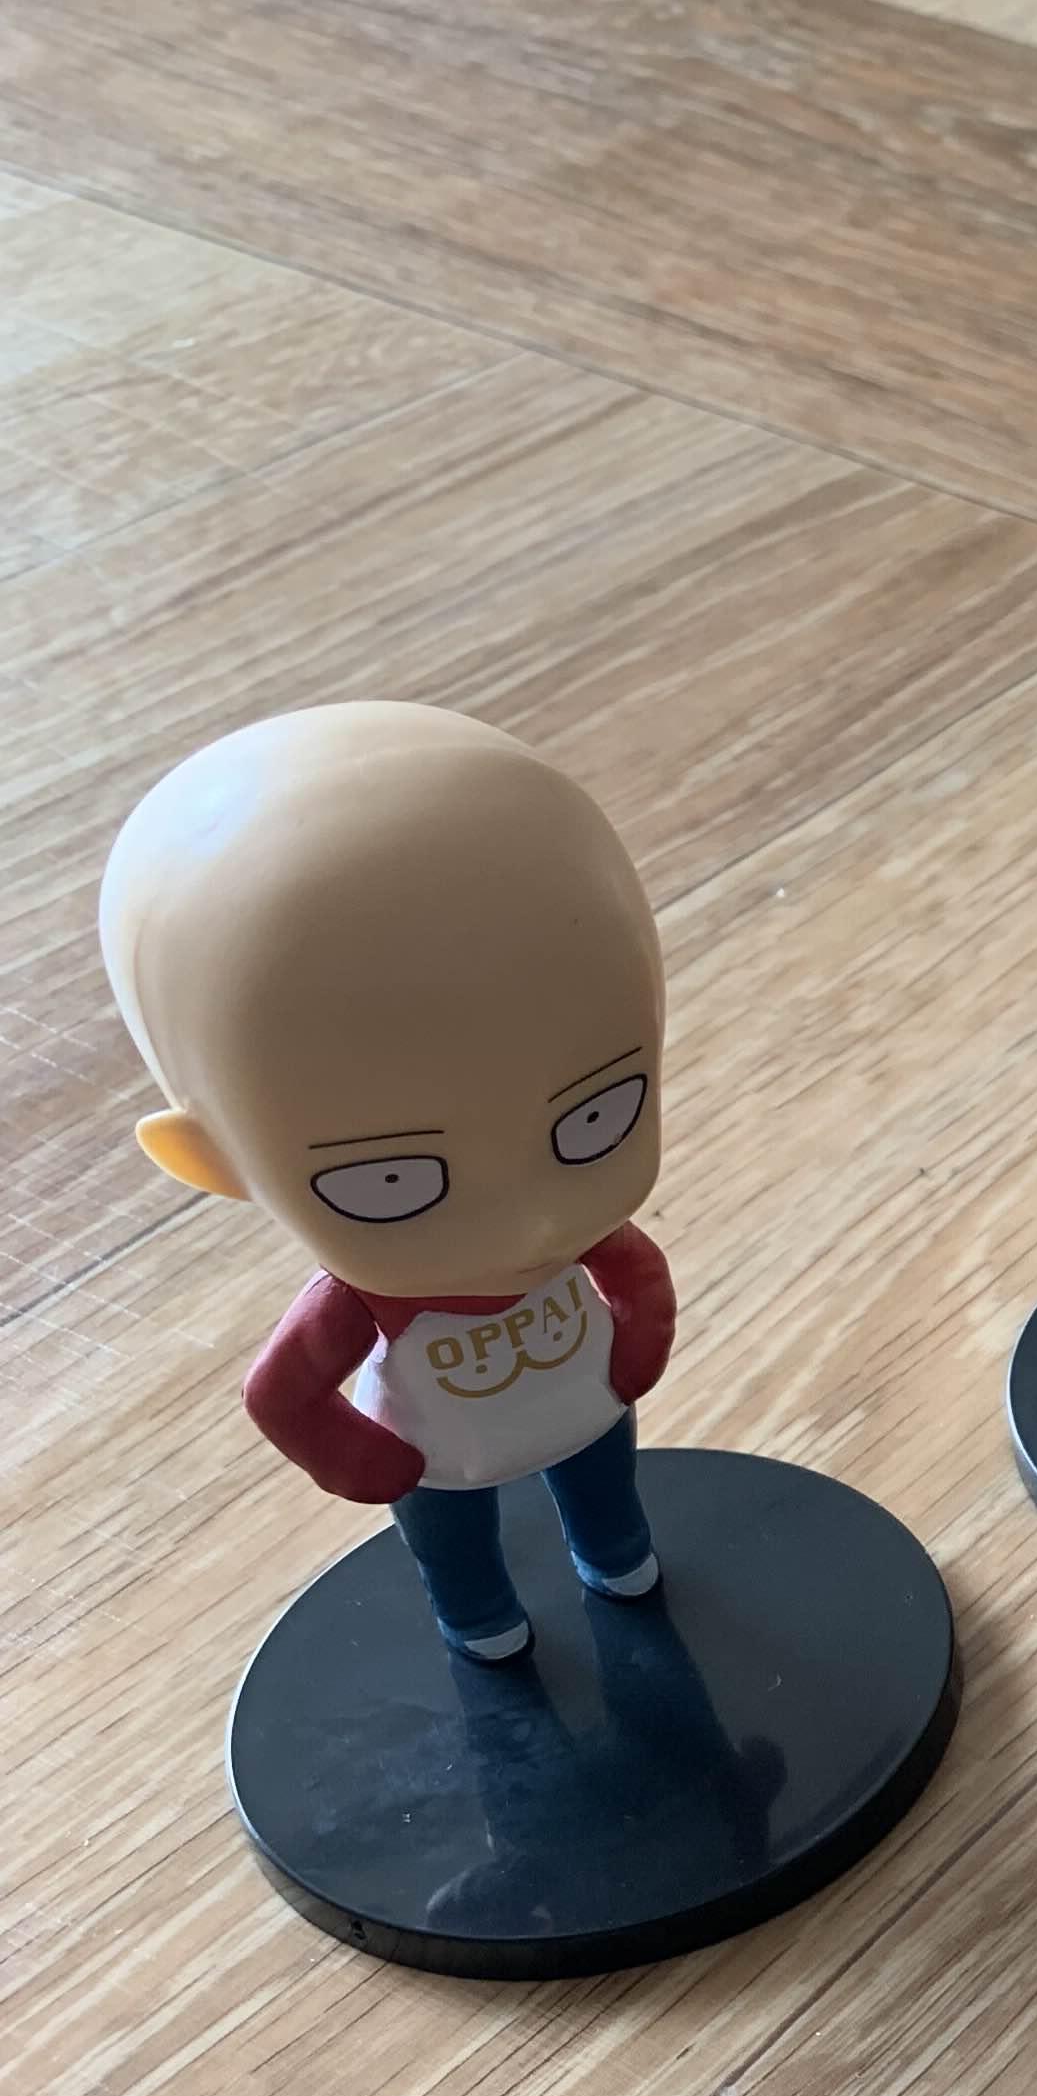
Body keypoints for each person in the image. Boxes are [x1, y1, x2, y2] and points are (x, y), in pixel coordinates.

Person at [102, 703, 675, 1660]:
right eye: (393, 1184)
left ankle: (615, 1556)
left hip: (586, 1409)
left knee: (605, 1497)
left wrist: (633, 1354)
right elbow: (284, 1394)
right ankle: (480, 1619)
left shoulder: (582, 1236)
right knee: (455, 1549)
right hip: (439, 1460)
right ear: (212, 1159)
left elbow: (637, 1276)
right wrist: (366, 1460)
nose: (526, 1221)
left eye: (597, 1120)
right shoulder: (363, 1300)